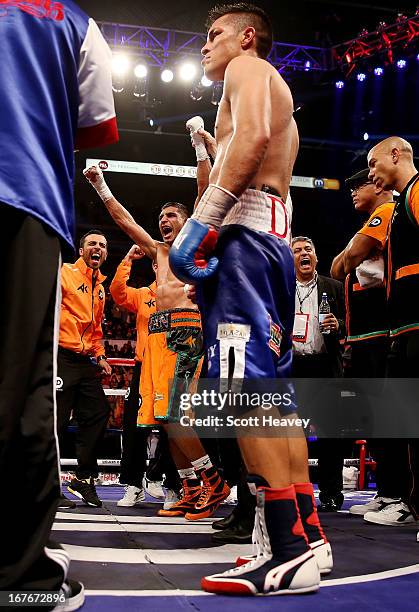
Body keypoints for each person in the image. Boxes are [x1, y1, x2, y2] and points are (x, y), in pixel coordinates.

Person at [170, 2, 328, 596]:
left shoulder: (249, 68)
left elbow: (255, 139)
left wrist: (199, 223)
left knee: (245, 392)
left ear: (247, 36)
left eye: (214, 35)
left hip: (246, 244)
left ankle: (284, 553)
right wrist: (212, 155)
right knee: (273, 397)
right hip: (267, 243)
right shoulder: (254, 82)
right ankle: (307, 539)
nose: (205, 46)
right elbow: (250, 148)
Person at [0, 1, 118, 604]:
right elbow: (94, 124)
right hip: (24, 196)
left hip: (89, 356)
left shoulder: (101, 280)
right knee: (23, 396)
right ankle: (22, 577)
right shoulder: (71, 21)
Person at [83, 168, 230, 520]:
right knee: (164, 419)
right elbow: (125, 221)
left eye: (171, 215)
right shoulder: (157, 252)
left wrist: (198, 148)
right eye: (161, 217)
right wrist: (99, 185)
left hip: (185, 333)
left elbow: (205, 191)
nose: (164, 221)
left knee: (179, 415)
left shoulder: (196, 247)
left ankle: (214, 483)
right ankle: (190, 488)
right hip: (156, 338)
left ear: (187, 219)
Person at [330, 170, 403, 518]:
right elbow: (339, 266)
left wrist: (353, 256)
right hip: (363, 338)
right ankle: (388, 492)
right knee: (372, 421)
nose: (351, 194)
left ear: (375, 187)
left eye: (355, 186)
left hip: (381, 335)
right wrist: (351, 257)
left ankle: (397, 495)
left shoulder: (387, 212)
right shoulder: (376, 221)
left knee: (390, 418)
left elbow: (346, 261)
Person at [366, 136, 419, 530]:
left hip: (417, 328)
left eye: (373, 162)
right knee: (402, 423)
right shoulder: (399, 206)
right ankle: (405, 503)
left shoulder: (418, 191)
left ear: (396, 155)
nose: (370, 172)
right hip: (402, 330)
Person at [109, 245, 180, 509]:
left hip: (173, 367)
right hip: (144, 367)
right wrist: (126, 259)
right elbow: (117, 292)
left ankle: (172, 486)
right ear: (154, 266)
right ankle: (134, 485)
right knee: (133, 428)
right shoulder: (142, 295)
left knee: (173, 429)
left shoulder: (186, 293)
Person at [57, 230, 113, 509]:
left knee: (99, 412)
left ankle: (83, 479)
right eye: (92, 243)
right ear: (81, 250)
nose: (98, 248)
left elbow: (96, 329)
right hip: (59, 356)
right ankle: (46, 484)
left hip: (83, 361)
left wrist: (100, 355)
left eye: (102, 245)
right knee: (55, 420)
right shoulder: (65, 273)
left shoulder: (100, 288)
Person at [291, 236, 346, 512]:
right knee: (292, 435)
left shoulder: (334, 288)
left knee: (330, 435)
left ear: (316, 256)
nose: (303, 253)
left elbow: (351, 323)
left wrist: (340, 325)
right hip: (293, 369)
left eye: (308, 249)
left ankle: (331, 492)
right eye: (297, 250)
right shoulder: (282, 290)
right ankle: (296, 492)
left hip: (325, 367)